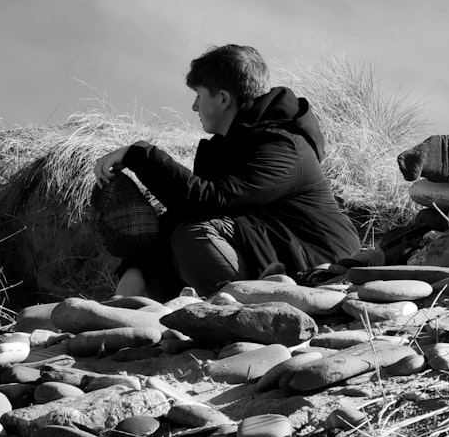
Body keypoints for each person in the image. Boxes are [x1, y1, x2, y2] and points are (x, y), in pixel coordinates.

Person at [93, 44, 362, 300]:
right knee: (171, 245)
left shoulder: (284, 146)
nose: (195, 107)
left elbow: (211, 201)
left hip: (322, 262)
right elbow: (183, 213)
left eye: (199, 95)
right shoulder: (231, 147)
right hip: (273, 250)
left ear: (223, 99)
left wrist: (141, 155)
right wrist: (133, 275)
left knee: (193, 235)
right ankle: (135, 309)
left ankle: (246, 310)